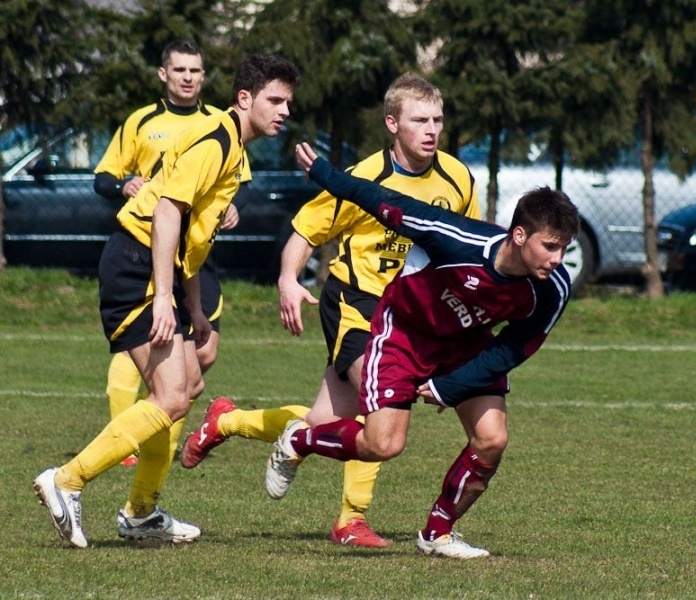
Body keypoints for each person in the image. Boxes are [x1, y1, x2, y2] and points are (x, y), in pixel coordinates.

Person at [180, 73, 481, 548]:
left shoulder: (457, 177)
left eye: (437, 120)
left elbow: (465, 245)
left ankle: (227, 420)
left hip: (412, 317)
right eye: (419, 119)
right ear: (392, 124)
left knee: (323, 423)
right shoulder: (365, 178)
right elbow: (305, 231)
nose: (431, 129)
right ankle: (351, 520)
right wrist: (287, 280)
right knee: (380, 403)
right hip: (356, 304)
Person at [33, 53, 300, 549]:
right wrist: (161, 298)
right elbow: (166, 213)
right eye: (275, 100)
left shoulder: (235, 151)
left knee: (188, 384)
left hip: (161, 273)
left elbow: (193, 238)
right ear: (245, 98)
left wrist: (193, 307)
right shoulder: (217, 141)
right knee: (171, 395)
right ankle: (66, 480)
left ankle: (140, 512)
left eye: (289, 102)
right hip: (136, 266)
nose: (284, 111)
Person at [263, 141, 578, 559]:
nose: (557, 259)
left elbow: (513, 348)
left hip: (466, 345)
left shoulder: (552, 290)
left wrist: (451, 386)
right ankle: (300, 441)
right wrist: (324, 173)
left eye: (564, 249)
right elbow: (382, 201)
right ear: (519, 235)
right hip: (403, 335)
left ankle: (438, 533)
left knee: (492, 439)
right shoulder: (458, 239)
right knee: (384, 445)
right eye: (550, 247)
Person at [93, 39, 250, 468]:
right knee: (159, 365)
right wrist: (124, 184)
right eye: (179, 70)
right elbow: (103, 177)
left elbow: (237, 186)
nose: (187, 77)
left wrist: (234, 205)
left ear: (203, 76)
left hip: (196, 254)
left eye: (194, 71)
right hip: (150, 245)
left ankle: (151, 433)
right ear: (164, 74)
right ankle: (134, 447)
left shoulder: (222, 125)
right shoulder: (142, 121)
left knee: (202, 357)